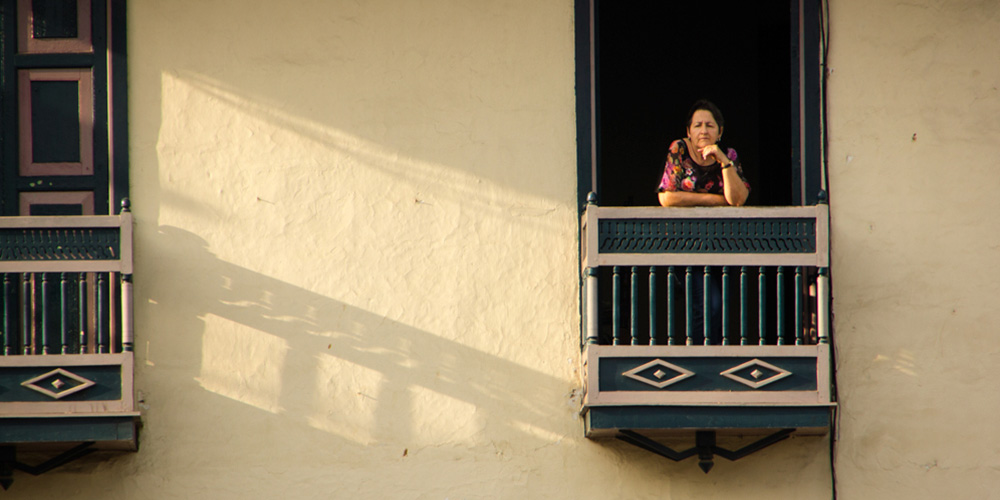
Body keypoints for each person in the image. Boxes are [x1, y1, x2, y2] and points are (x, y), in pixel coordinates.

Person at [656, 100, 751, 344]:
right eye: (697, 125)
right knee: (709, 303)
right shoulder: (679, 149)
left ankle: (710, 353)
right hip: (684, 243)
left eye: (710, 125)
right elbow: (667, 197)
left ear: (720, 131)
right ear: (688, 131)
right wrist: (716, 201)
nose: (704, 131)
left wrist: (722, 160)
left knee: (718, 306)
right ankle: (702, 355)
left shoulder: (728, 156)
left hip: (721, 245)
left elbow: (738, 198)